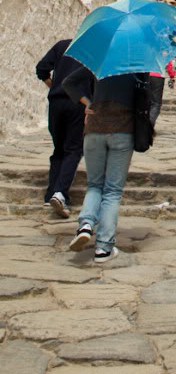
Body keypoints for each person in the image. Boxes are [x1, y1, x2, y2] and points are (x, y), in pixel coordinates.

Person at [62, 66, 144, 261]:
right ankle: (103, 248)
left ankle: (86, 225)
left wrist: (87, 102)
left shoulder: (98, 62)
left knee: (94, 185)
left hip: (95, 128)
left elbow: (68, 83)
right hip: (123, 130)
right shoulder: (138, 66)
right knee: (113, 191)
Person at [35, 39, 85, 218]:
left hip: (56, 103)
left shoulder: (62, 46)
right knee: (74, 149)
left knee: (59, 149)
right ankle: (60, 193)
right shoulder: (92, 50)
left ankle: (50, 194)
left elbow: (41, 69)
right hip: (78, 103)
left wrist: (54, 86)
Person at [148, 60, 175, 128]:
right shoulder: (164, 52)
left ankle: (145, 125)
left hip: (146, 75)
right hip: (158, 76)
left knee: (147, 101)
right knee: (156, 103)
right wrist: (172, 76)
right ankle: (149, 125)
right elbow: (169, 63)